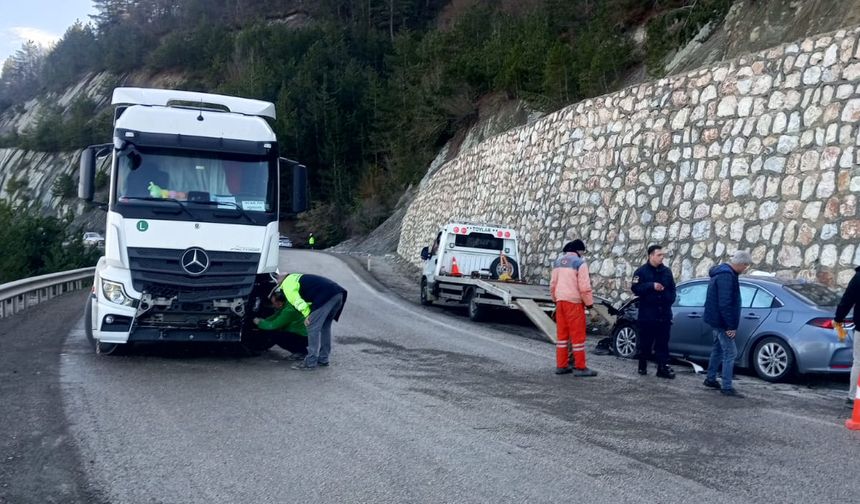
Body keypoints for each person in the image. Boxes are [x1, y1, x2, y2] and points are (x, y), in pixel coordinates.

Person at [703, 250, 752, 397]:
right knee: (731, 353)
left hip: (716, 319)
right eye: (745, 266)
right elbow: (725, 304)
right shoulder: (727, 276)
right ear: (741, 264)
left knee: (718, 349)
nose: (745, 269)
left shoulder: (723, 273)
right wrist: (730, 326)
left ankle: (711, 378)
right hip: (722, 321)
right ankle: (726, 386)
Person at [278, 273, 348, 370]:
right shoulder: (297, 277)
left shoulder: (287, 284)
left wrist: (307, 315)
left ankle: (310, 363)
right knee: (325, 327)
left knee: (312, 326)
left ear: (280, 280)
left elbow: (297, 301)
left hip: (326, 296)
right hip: (338, 294)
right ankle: (323, 359)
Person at [550, 239, 597, 377]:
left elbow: (553, 284)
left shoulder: (558, 262)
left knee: (562, 336)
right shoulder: (580, 263)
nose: (583, 254)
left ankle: (561, 365)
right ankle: (580, 367)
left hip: (560, 302)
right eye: (583, 251)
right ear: (579, 250)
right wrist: (590, 305)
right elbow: (584, 287)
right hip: (574, 303)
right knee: (577, 336)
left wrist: (555, 299)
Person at [631, 244, 677, 378]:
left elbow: (672, 289)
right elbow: (635, 288)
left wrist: (670, 299)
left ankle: (662, 368)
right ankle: (642, 365)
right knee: (646, 342)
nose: (662, 257)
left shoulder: (667, 271)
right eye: (659, 255)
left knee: (662, 343)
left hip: (664, 313)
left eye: (663, 255)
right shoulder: (641, 272)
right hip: (648, 315)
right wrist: (651, 286)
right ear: (651, 256)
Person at [252, 290, 308, 360]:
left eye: (273, 303)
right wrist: (264, 320)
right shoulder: (288, 303)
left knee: (276, 335)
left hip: (304, 337)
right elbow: (276, 316)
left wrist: (259, 323)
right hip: (303, 333)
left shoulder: (289, 311)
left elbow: (273, 325)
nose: (272, 305)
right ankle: (301, 350)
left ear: (279, 303)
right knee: (278, 332)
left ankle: (301, 352)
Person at [835, 265, 860, 406]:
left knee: (858, 362)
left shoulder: (858, 278)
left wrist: (838, 319)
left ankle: (853, 397)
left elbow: (847, 300)